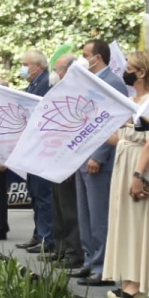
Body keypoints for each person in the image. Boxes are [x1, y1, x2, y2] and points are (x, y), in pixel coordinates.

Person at [102, 52, 149, 298]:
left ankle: (138, 286)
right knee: (126, 222)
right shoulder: (131, 102)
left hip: (141, 165)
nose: (124, 72)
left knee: (139, 222)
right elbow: (120, 138)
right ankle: (129, 279)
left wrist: (138, 175)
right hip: (124, 162)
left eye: (129, 68)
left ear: (141, 72)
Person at [73, 40, 128, 286]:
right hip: (82, 158)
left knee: (99, 217)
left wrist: (99, 155)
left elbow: (114, 123)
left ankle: (103, 266)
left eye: (86, 55)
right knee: (85, 216)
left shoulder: (113, 82)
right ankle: (89, 260)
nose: (83, 59)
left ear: (98, 57)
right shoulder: (89, 81)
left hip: (99, 161)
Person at [18, 49, 55, 255]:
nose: (23, 69)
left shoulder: (46, 83)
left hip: (42, 149)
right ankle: (38, 234)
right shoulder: (33, 84)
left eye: (26, 64)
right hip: (32, 148)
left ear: (38, 66)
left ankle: (47, 237)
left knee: (43, 195)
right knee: (34, 193)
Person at [50, 54, 84, 272]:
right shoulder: (61, 92)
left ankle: (74, 253)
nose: (56, 74)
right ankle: (61, 248)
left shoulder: (78, 93)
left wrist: (71, 162)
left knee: (70, 209)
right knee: (59, 207)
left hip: (69, 160)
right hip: (56, 157)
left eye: (59, 69)